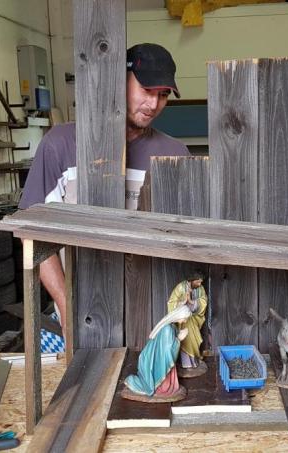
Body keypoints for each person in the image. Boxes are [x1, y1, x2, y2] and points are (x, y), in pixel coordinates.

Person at [17, 43, 190, 342]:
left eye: (163, 95)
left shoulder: (174, 154)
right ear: (119, 81)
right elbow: (33, 234)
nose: (154, 104)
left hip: (152, 310)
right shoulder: (61, 145)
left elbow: (183, 240)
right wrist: (65, 305)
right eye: (147, 90)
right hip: (80, 306)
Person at [124, 304, 191, 399]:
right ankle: (157, 386)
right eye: (185, 318)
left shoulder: (172, 326)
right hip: (158, 361)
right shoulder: (168, 329)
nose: (185, 321)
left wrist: (178, 335)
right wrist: (179, 338)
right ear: (180, 315)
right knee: (163, 387)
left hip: (161, 358)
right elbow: (167, 351)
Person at [166, 273, 207, 369]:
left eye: (201, 282)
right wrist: (184, 302)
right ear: (192, 280)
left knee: (195, 340)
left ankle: (194, 360)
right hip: (183, 321)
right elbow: (171, 303)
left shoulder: (200, 289)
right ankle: (186, 363)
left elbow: (204, 300)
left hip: (193, 319)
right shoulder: (180, 287)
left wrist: (193, 303)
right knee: (185, 340)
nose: (199, 284)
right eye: (197, 282)